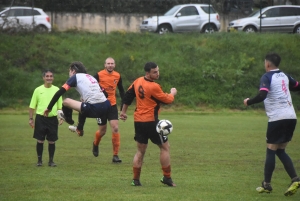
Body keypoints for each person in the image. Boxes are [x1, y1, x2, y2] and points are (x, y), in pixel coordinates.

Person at [243, 53, 300, 196]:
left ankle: (267, 184)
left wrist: (248, 102)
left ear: (267, 64)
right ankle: (295, 179)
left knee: (271, 150)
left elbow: (263, 95)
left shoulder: (267, 76)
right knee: (280, 150)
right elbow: (297, 86)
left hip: (278, 118)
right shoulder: (285, 76)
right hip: (291, 117)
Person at [119, 62, 177, 187]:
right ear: (148, 73)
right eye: (154, 72)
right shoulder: (154, 86)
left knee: (140, 151)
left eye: (158, 70)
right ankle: (167, 177)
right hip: (151, 122)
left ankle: (135, 180)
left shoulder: (138, 81)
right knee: (165, 147)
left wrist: (123, 112)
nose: (157, 73)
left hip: (138, 122)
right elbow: (167, 100)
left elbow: (128, 96)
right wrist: (172, 93)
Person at [43, 61, 111, 140]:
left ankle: (68, 119)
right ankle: (79, 128)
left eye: (69, 71)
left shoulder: (75, 77)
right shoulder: (91, 77)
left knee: (66, 101)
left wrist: (49, 108)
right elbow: (106, 94)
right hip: (107, 106)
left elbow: (59, 93)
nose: (69, 73)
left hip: (95, 108)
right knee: (82, 103)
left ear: (73, 71)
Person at [90, 57, 125, 163]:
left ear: (114, 65)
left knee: (115, 128)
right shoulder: (98, 75)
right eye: (108, 63)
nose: (110, 65)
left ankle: (115, 155)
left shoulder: (117, 75)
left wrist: (124, 105)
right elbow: (90, 87)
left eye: (112, 63)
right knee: (102, 131)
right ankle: (95, 143)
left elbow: (121, 90)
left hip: (112, 106)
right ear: (105, 65)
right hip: (100, 105)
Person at [29, 69, 63, 167]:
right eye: (47, 76)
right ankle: (39, 161)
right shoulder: (38, 90)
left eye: (51, 76)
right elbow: (32, 106)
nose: (49, 78)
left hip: (52, 119)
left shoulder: (57, 90)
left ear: (53, 78)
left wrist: (61, 117)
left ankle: (51, 161)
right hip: (40, 118)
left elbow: (60, 106)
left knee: (52, 140)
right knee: (40, 140)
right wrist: (31, 119)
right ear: (43, 78)